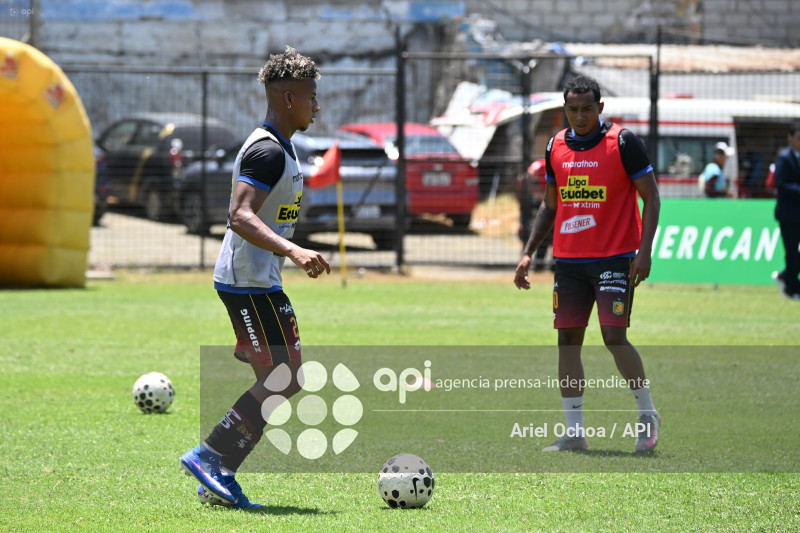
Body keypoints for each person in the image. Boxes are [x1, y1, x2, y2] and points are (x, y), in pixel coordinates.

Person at [180, 46, 330, 508]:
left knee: (284, 377)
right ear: (287, 98)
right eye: (310, 96)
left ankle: (217, 472)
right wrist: (294, 249)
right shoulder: (266, 150)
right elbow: (239, 216)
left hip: (260, 281)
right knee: (284, 377)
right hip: (248, 282)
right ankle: (210, 457)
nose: (316, 106)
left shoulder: (280, 147)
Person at [513, 75, 662, 453]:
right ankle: (574, 432)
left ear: (600, 108)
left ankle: (647, 414)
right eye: (573, 110)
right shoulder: (555, 146)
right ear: (565, 109)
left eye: (587, 109)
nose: (580, 117)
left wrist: (644, 252)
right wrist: (529, 252)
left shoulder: (623, 143)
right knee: (567, 343)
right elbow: (550, 203)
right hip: (570, 262)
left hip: (615, 256)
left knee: (613, 336)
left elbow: (652, 198)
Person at [771, 121, 800, 300]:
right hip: (788, 215)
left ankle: (785, 276)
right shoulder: (784, 158)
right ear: (790, 138)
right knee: (791, 251)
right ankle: (792, 288)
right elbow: (780, 184)